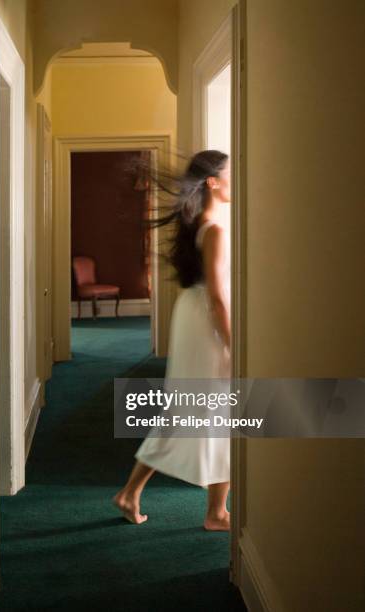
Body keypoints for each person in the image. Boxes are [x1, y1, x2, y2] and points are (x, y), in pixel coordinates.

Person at [114, 150, 231, 531]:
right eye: (231, 173)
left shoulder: (201, 223)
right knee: (219, 412)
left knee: (198, 413)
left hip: (192, 315)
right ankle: (215, 513)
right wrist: (234, 343)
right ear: (212, 181)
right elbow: (218, 295)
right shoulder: (213, 229)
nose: (236, 180)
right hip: (206, 322)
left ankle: (135, 494)